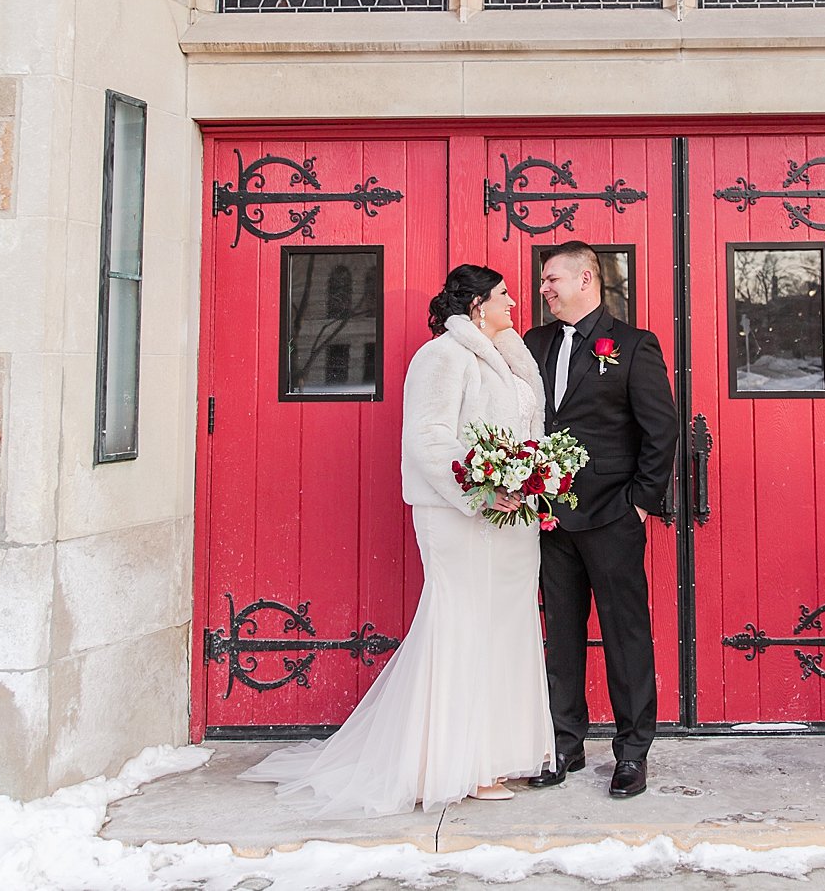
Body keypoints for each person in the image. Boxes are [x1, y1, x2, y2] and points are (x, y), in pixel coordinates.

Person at [239, 264, 554, 815]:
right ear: (477, 304)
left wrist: (529, 480)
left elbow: (531, 424)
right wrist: (482, 491)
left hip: (513, 519)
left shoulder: (507, 357)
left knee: (506, 628)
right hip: (460, 516)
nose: (514, 304)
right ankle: (461, 764)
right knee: (462, 625)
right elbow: (430, 439)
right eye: (504, 296)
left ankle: (496, 752)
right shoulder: (440, 358)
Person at [524, 241, 678, 799]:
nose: (544, 289)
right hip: (548, 518)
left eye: (552, 278)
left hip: (613, 514)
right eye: (544, 281)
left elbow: (662, 429)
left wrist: (640, 501)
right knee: (559, 636)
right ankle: (565, 744)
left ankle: (632, 752)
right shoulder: (533, 344)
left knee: (625, 634)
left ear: (586, 278)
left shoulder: (634, 345)